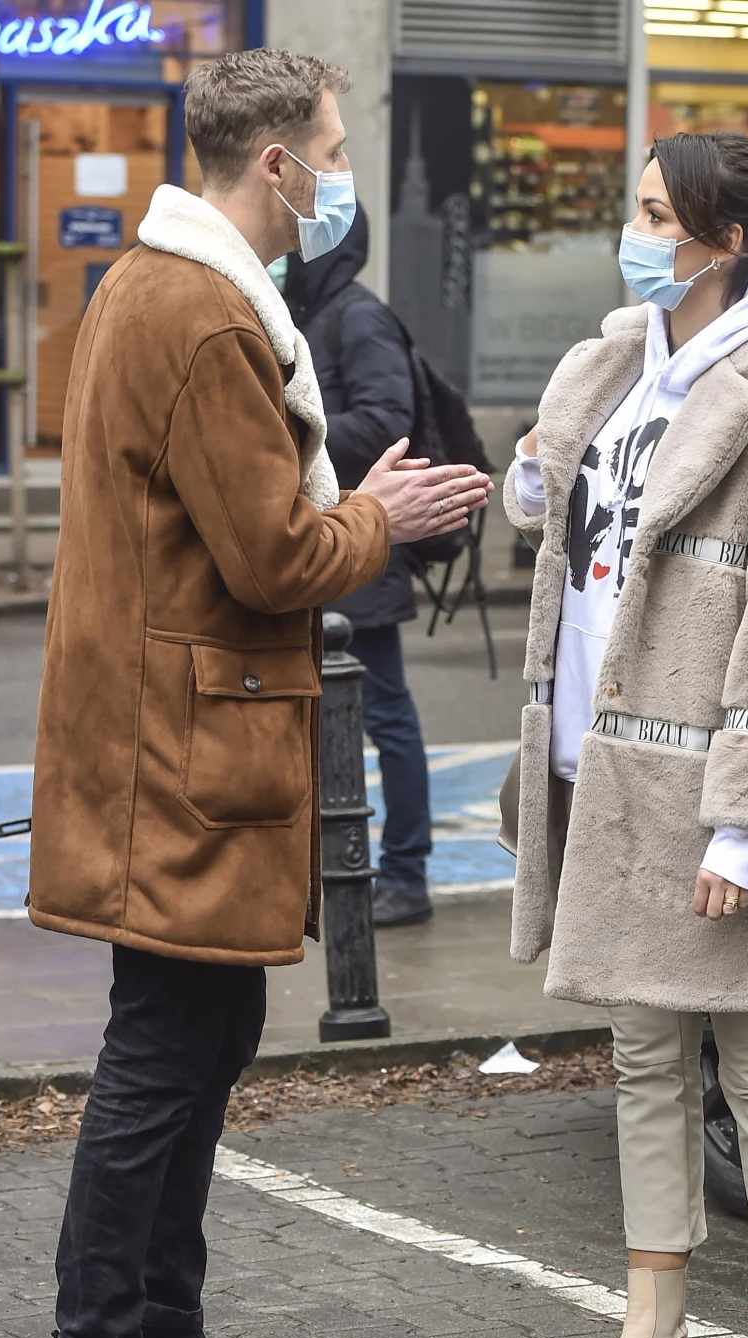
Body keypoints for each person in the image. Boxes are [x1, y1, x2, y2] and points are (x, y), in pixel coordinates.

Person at [28, 48, 490, 1338]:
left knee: (197, 1040)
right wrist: (377, 515)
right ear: (274, 164)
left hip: (167, 735)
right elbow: (274, 555)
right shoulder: (204, 310)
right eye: (333, 150)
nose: (342, 175)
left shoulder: (161, 289)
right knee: (164, 1054)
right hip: (181, 747)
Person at [502, 130, 748, 1338]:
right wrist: (538, 470)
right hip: (605, 769)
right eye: (633, 208)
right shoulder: (612, 364)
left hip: (708, 787)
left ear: (729, 240)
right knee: (644, 1061)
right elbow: (570, 537)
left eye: (655, 213)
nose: (632, 231)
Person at [270, 205, 445, 927]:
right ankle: (343, 866)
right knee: (336, 713)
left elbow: (386, 423)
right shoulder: (299, 312)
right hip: (330, 535)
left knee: (385, 715)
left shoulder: (356, 316)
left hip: (363, 541)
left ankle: (405, 873)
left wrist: (283, 425)